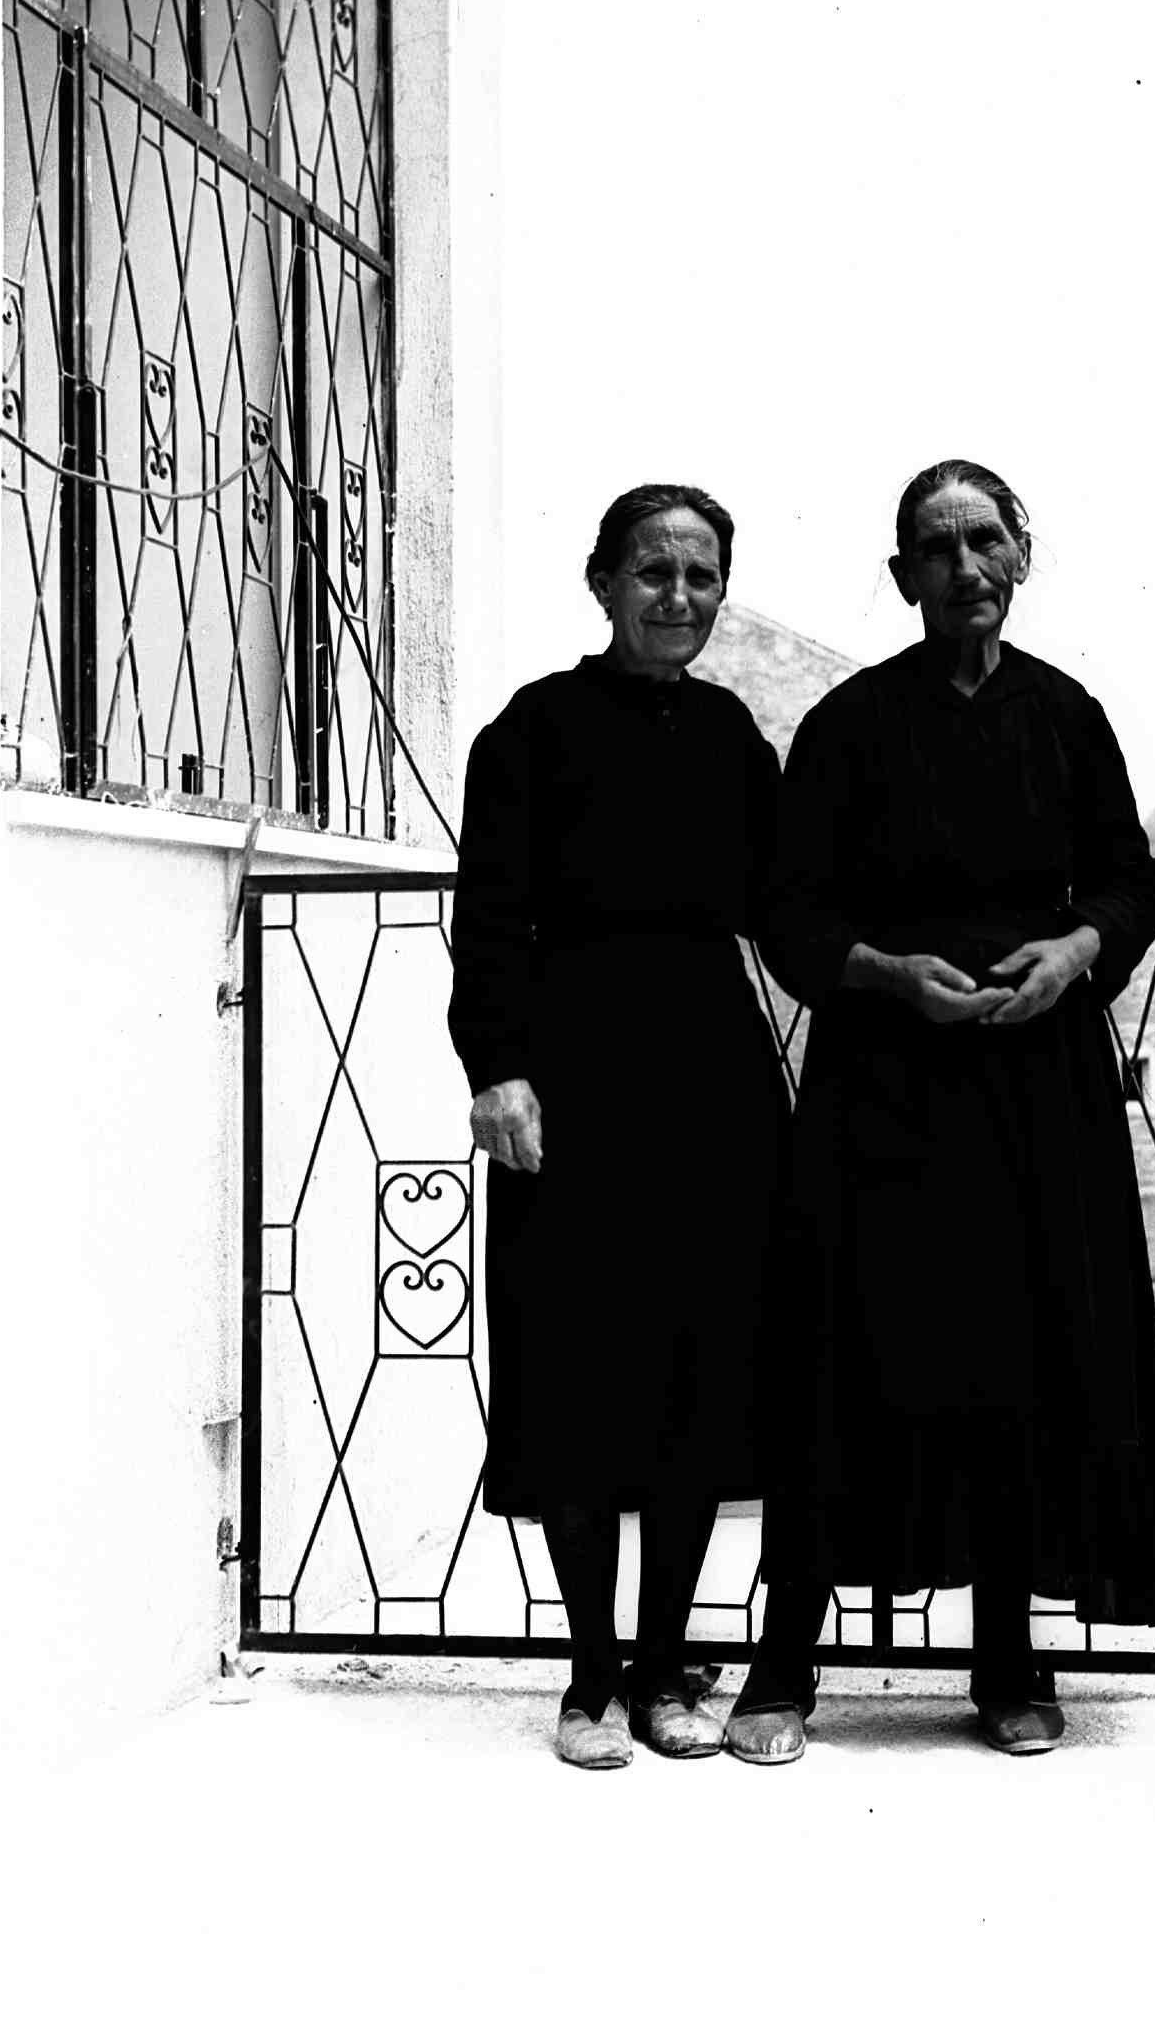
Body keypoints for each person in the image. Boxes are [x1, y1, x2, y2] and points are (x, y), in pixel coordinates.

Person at [725, 459, 1155, 1764]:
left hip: (1039, 1086)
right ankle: (783, 1665)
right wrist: (884, 975)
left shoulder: (1066, 715)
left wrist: (1076, 950)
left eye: (987, 541)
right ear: (903, 576)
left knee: (1026, 1351)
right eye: (938, 549)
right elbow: (788, 911)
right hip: (887, 1087)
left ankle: (1008, 1660)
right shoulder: (851, 724)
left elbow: (1130, 880)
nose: (966, 567)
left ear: (1021, 556)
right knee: (845, 1352)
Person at [448, 482, 788, 1769]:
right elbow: (489, 917)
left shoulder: (730, 735)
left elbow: (786, 901)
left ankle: (663, 1666)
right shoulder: (532, 730)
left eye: (702, 576)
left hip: (712, 1074)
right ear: (601, 582)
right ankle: (591, 1674)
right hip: (573, 1074)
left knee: (698, 1369)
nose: (678, 597)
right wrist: (499, 1069)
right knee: (578, 1367)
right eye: (654, 571)